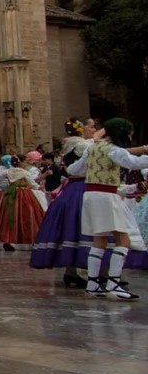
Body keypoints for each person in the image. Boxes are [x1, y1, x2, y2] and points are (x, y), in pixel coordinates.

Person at [67, 119, 148, 299]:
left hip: (90, 194)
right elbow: (133, 163)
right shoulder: (113, 150)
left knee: (99, 240)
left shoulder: (93, 148)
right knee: (123, 239)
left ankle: (93, 284)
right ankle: (113, 284)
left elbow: (74, 169)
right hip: (107, 197)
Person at [0, 155, 45, 252]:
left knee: (7, 218)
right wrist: (39, 187)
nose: (25, 164)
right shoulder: (24, 172)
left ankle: (7, 240)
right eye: (24, 162)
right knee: (28, 216)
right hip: (24, 195)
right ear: (20, 162)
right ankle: (33, 238)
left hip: (8, 194)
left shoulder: (7, 171)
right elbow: (33, 184)